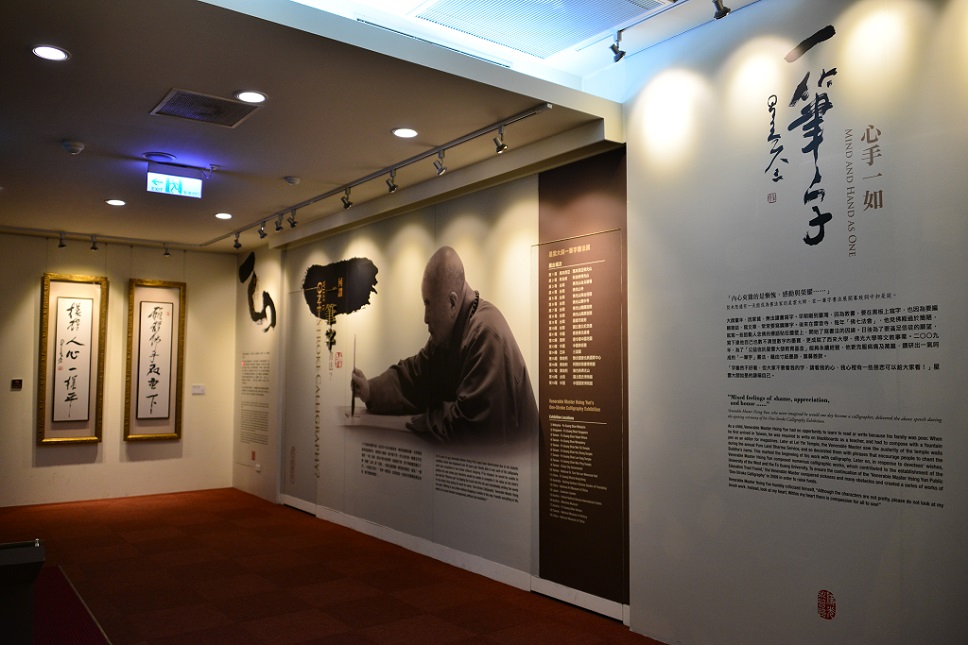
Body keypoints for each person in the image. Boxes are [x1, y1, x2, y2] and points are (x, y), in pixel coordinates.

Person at [351, 246, 537, 444]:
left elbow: (472, 427)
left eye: (429, 304)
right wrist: (370, 390)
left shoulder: (486, 334)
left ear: (452, 302)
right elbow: (415, 377)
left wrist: (428, 417)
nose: (425, 318)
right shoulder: (450, 334)